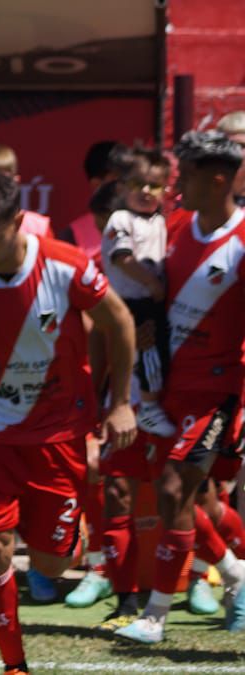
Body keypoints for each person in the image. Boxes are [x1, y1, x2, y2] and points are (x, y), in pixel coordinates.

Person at [0, 171, 136, 674]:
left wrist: (120, 402)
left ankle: (72, 537)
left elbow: (119, 321)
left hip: (59, 433)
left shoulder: (65, 264)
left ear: (18, 221)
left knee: (51, 563)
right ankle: (14, 665)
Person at [114, 130, 245, 643]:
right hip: (166, 391)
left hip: (219, 391)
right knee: (186, 503)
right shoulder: (174, 227)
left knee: (175, 489)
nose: (174, 188)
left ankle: (155, 617)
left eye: (184, 178)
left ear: (217, 181)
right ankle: (236, 578)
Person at [100, 147, 175, 437]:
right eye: (137, 183)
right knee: (148, 354)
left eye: (154, 185)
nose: (145, 191)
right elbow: (123, 257)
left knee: (153, 355)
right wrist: (152, 284)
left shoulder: (158, 220)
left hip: (151, 302)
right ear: (121, 187)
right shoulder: (121, 219)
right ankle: (148, 407)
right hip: (131, 302)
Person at [58, 142, 134, 257]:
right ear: (97, 184)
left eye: (132, 179)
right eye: (120, 179)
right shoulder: (72, 235)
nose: (127, 186)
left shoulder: (150, 223)